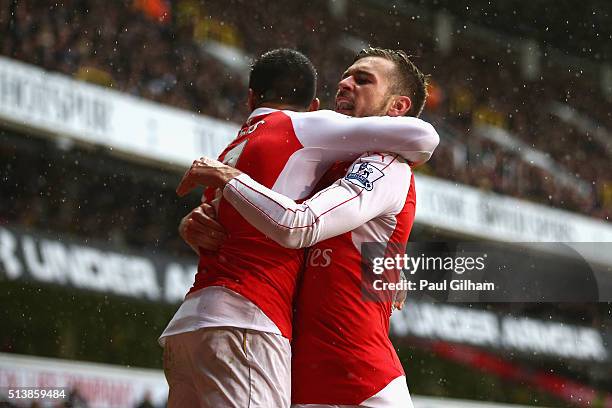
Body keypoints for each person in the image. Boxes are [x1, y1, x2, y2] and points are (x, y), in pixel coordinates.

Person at [165, 48, 438, 408]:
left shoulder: (386, 164)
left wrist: (230, 179)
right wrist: (197, 223)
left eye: (363, 79)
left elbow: (300, 223)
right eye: (346, 74)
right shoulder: (316, 166)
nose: (345, 83)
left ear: (397, 109)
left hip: (362, 386)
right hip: (301, 384)